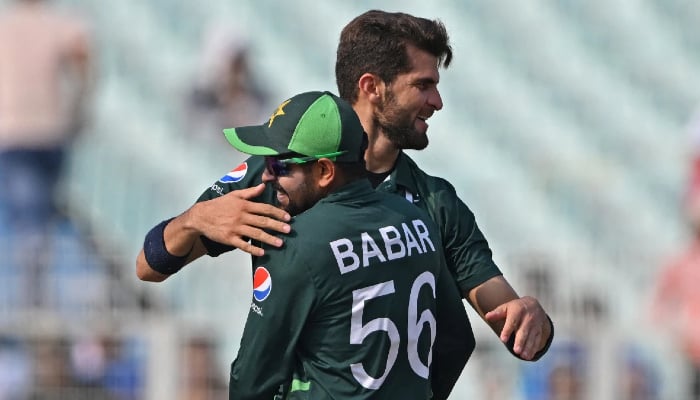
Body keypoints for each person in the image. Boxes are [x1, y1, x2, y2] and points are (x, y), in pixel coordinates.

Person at [136, 9, 553, 398]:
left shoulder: (437, 201)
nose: (437, 102)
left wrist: (534, 319)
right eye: (423, 85)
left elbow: (511, 323)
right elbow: (148, 266)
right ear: (371, 87)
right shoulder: (279, 174)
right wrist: (192, 221)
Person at [142, 90, 470, 399]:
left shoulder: (294, 243)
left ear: (325, 170)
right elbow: (457, 341)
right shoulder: (418, 222)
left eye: (278, 165)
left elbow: (253, 379)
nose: (266, 176)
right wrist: (194, 218)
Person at [0, 0, 93, 306]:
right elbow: (84, 61)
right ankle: (34, 301)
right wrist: (77, 110)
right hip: (50, 133)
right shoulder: (59, 23)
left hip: (15, 134)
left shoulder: (7, 25)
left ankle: (32, 304)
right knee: (40, 221)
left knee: (30, 222)